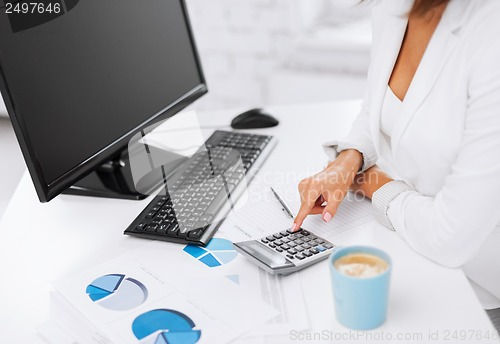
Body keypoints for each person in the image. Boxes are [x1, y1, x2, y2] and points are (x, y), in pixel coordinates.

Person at [292, 0, 500, 332]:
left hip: (483, 288)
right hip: (416, 253)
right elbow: (378, 109)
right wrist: (349, 160)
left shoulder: (491, 32)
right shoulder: (393, 7)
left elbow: (451, 238)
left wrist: (374, 185)